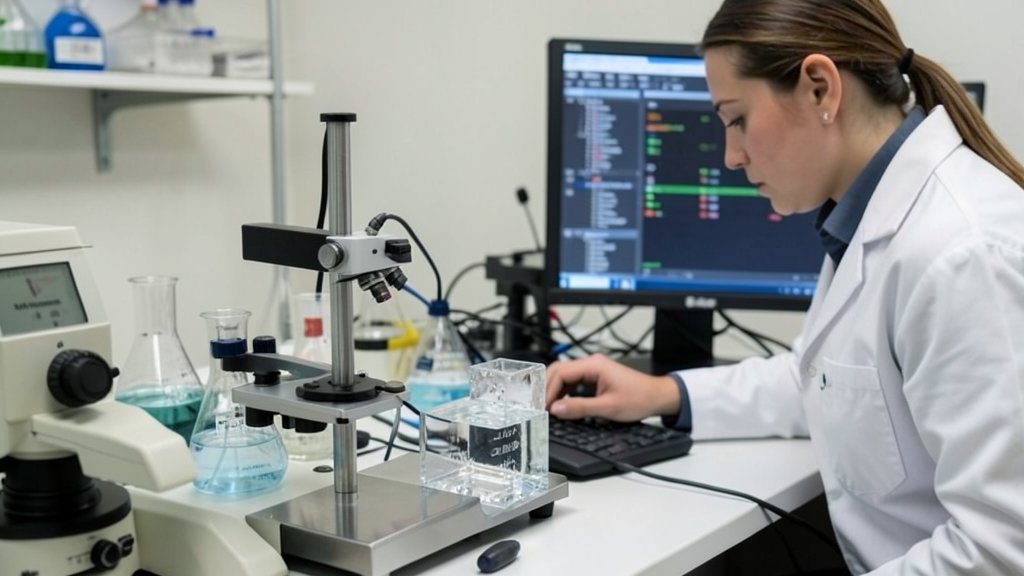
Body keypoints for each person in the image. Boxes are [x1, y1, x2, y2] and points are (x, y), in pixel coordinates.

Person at [545, 0, 1024, 574]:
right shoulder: (873, 217)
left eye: (736, 118)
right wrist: (662, 394)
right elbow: (833, 385)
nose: (731, 155)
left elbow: (1000, 549)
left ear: (821, 88)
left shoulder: (960, 254)